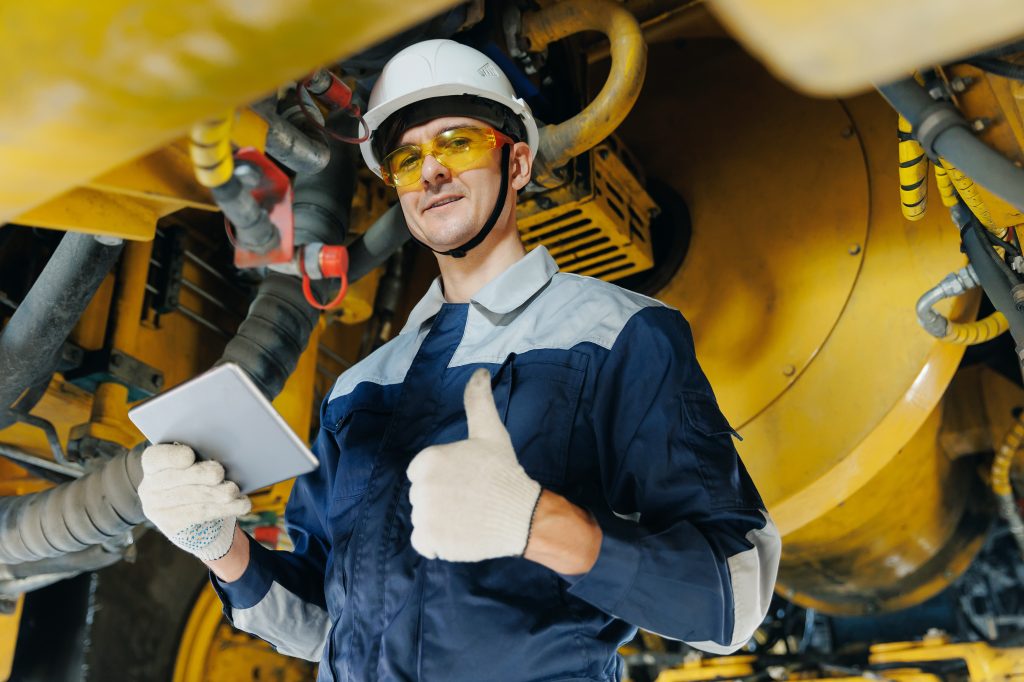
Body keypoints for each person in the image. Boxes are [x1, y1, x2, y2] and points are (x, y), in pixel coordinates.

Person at [137, 39, 781, 681]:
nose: (431, 172)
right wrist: (218, 546)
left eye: (459, 143)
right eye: (408, 157)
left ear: (519, 163)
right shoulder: (360, 387)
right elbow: (324, 625)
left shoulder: (621, 337)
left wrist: (539, 524)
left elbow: (733, 598)